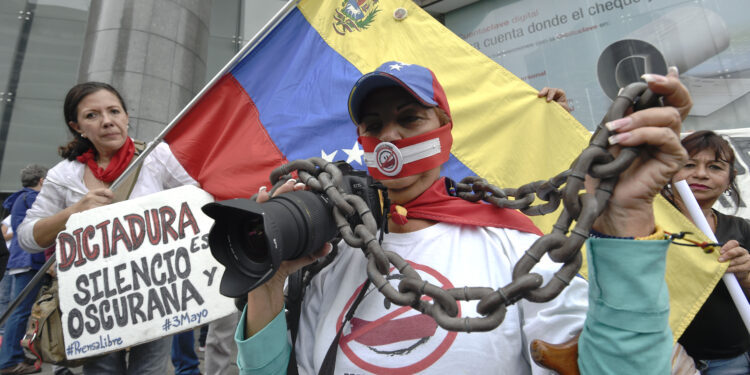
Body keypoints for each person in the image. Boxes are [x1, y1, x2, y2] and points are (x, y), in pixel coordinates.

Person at [230, 62, 691, 374]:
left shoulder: (515, 248)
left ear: (444, 132)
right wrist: (268, 279)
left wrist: (626, 218)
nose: (388, 136)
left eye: (409, 118)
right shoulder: (330, 255)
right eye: (372, 126)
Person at [15, 82, 197, 375]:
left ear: (126, 117)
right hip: (93, 302)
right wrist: (74, 212)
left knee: (149, 371)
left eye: (114, 111)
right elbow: (27, 237)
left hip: (155, 293)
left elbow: (196, 201)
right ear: (77, 127)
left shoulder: (157, 157)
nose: (107, 121)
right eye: (92, 115)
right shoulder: (64, 175)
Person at [661, 130, 750, 374]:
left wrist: (746, 274)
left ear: (730, 178)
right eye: (688, 164)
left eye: (715, 167)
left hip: (732, 361)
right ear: (668, 172)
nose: (700, 174)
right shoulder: (646, 224)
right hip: (663, 360)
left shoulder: (741, 229)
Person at [0, 164, 48, 374]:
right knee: (20, 312)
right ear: (42, 181)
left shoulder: (19, 199)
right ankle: (10, 360)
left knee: (16, 310)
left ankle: (13, 356)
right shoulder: (34, 199)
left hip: (19, 260)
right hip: (31, 259)